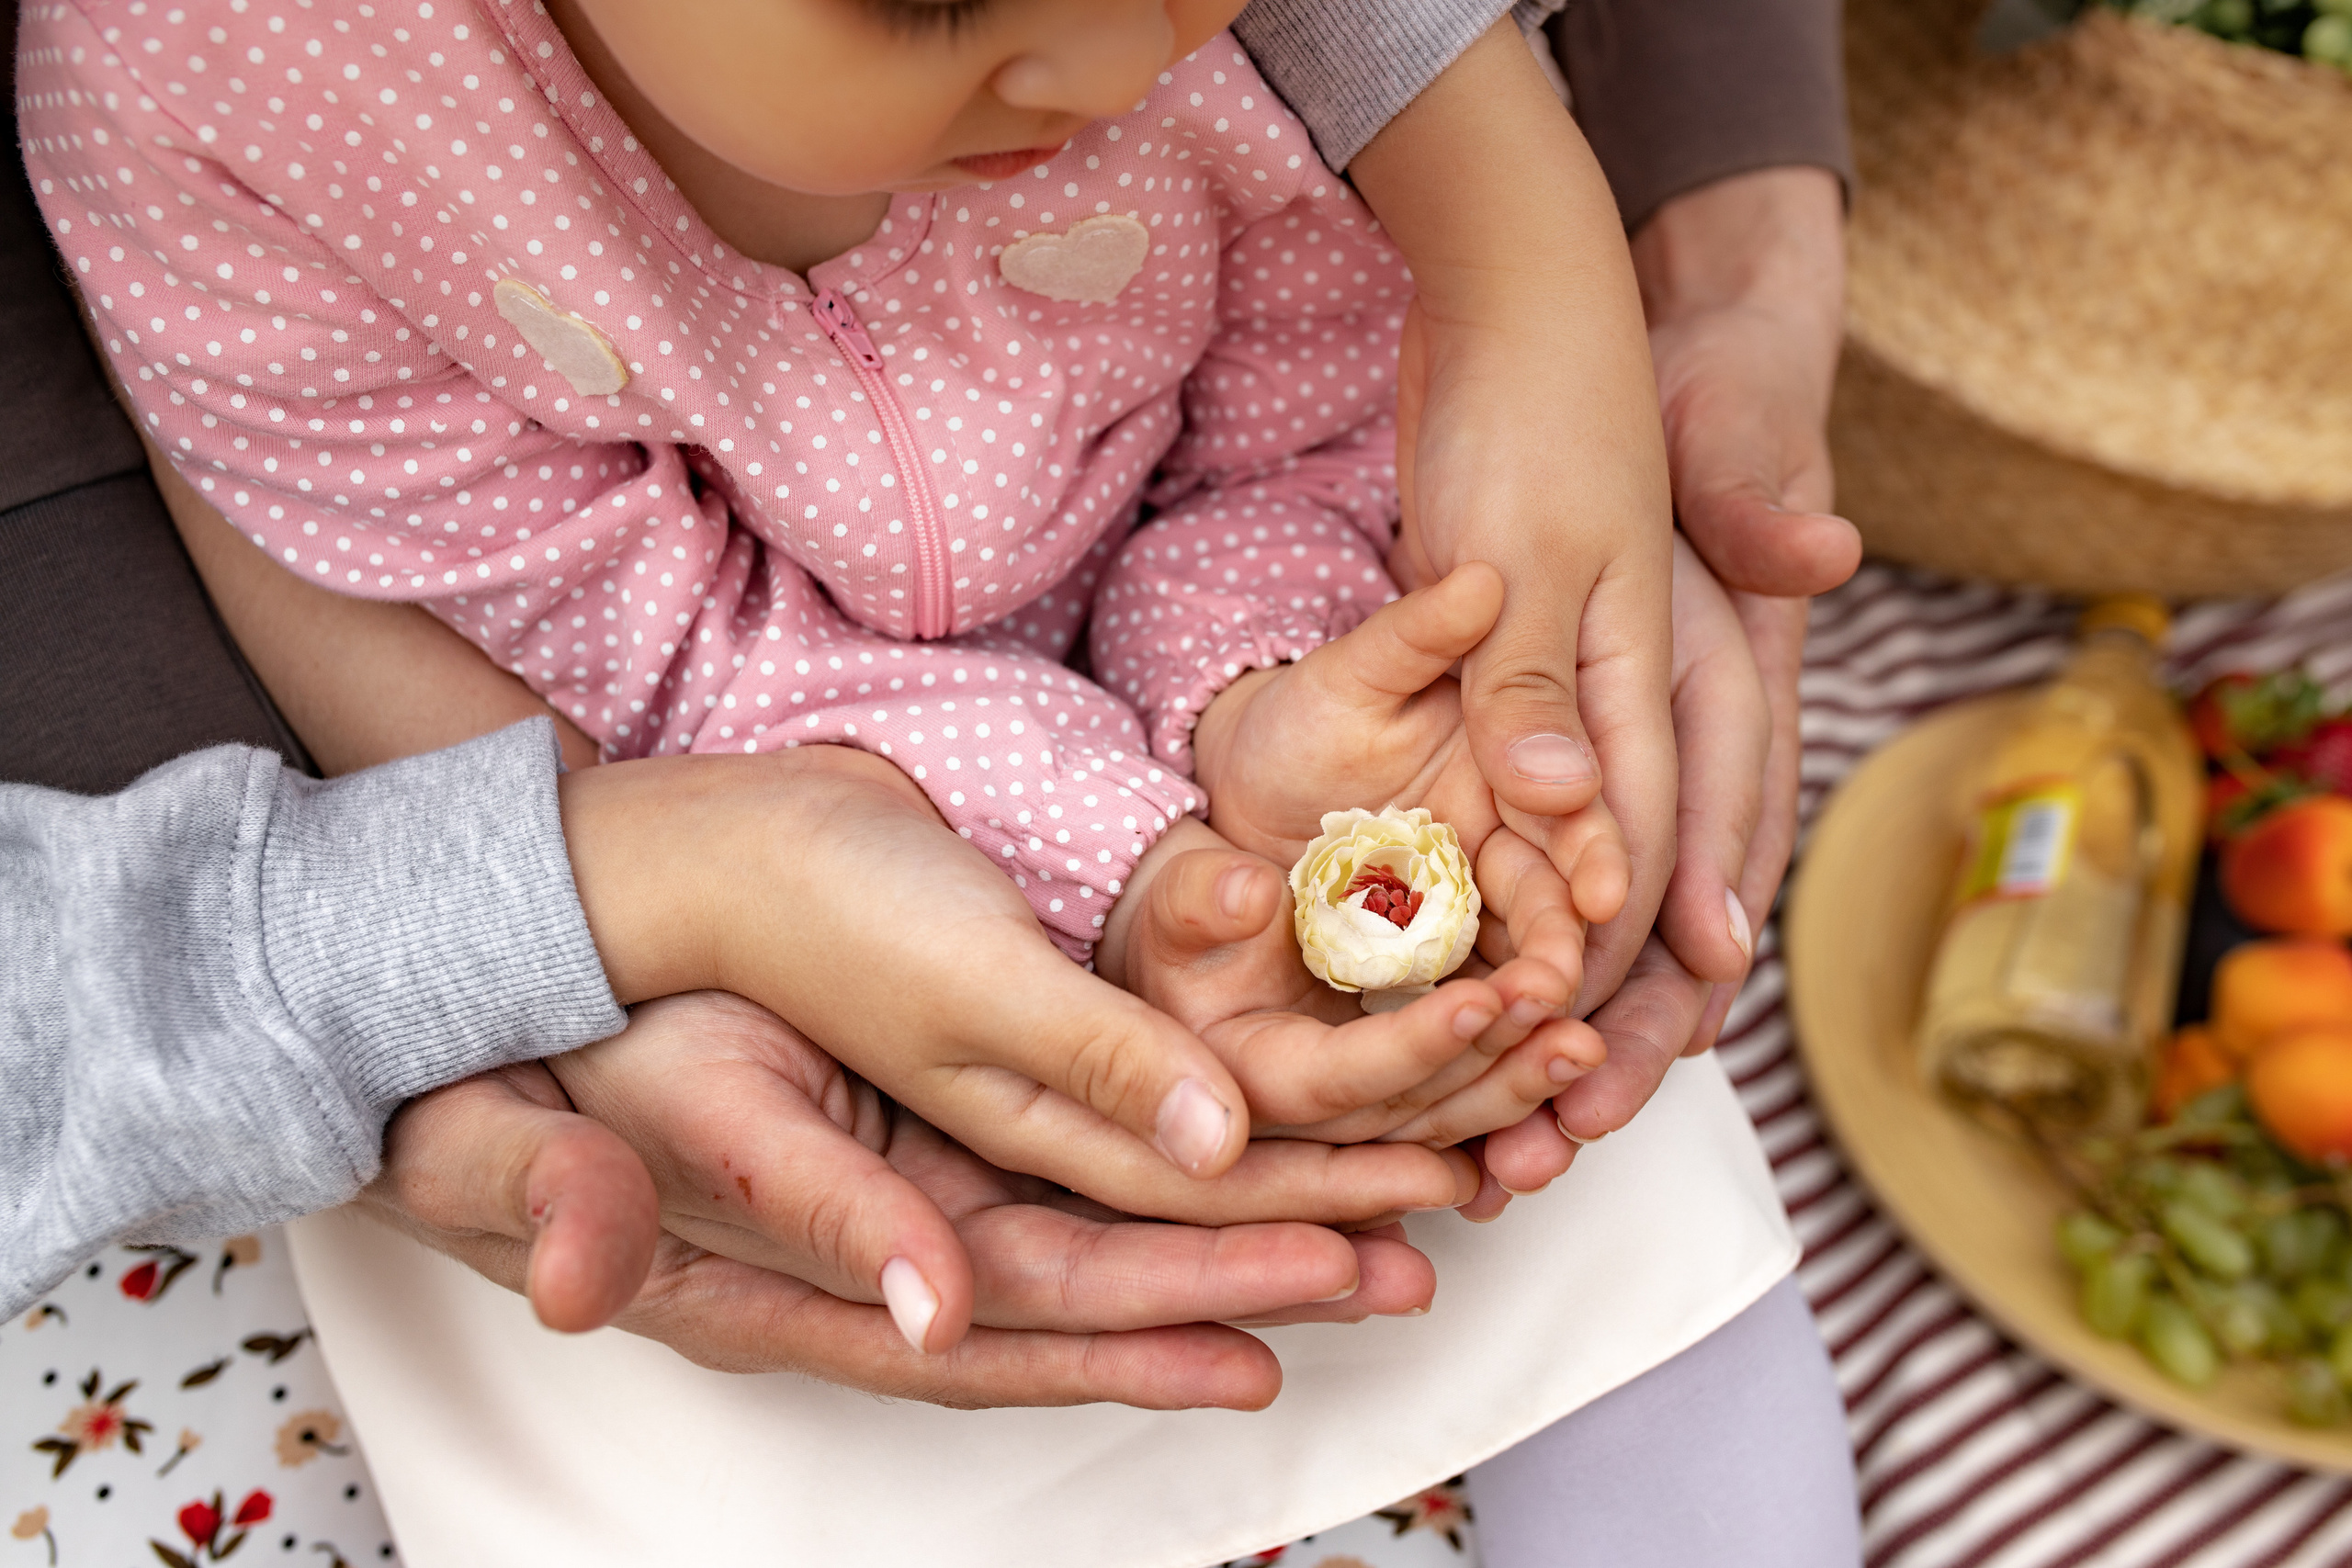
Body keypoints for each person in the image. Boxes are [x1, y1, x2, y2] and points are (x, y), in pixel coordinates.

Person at [5, 1, 1863, 1563]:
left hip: (1138, 726)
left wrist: (1273, 693)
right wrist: (1108, 860)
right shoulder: (245, 111)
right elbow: (643, 665)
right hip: (657, 850)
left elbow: (1307, 393)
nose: (1102, 63)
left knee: (1634, 1287)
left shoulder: (1212, 33)